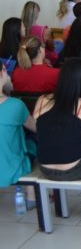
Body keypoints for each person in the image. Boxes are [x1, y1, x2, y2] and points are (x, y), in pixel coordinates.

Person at [33, 59, 81, 217]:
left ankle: (61, 206)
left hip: (45, 168)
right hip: (74, 170)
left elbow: (42, 129)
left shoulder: (42, 100)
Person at [0, 64, 36, 199]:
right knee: (33, 141)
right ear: (3, 71)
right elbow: (36, 128)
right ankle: (31, 196)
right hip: (10, 169)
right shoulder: (15, 105)